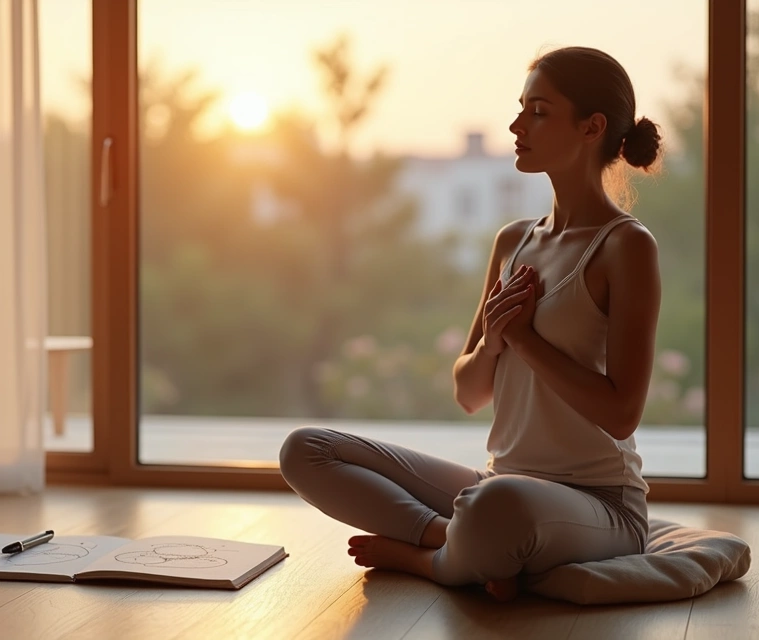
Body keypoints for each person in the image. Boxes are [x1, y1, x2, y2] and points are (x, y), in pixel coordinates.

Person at [278, 46, 663, 602]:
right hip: (500, 484)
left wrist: (527, 341)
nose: (516, 125)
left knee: (494, 507)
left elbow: (622, 413)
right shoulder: (515, 240)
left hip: (599, 505)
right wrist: (496, 343)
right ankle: (453, 543)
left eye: (538, 111)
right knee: (305, 449)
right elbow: (468, 391)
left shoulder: (626, 247)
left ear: (591, 127)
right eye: (521, 108)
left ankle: (427, 560)